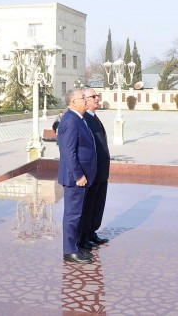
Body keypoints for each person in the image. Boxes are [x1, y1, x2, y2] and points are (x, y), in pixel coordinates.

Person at [57, 88, 97, 264]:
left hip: (82, 176)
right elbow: (68, 152)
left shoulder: (79, 118)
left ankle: (75, 246)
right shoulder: (70, 120)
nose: (86, 101)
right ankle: (69, 250)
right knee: (73, 215)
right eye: (83, 98)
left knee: (78, 214)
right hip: (75, 178)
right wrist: (79, 175)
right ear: (73, 102)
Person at [82, 88, 110, 248]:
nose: (97, 99)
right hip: (93, 170)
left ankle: (92, 231)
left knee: (98, 204)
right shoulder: (84, 118)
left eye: (97, 96)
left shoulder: (94, 117)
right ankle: (84, 236)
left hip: (102, 170)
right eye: (94, 96)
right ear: (85, 100)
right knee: (89, 205)